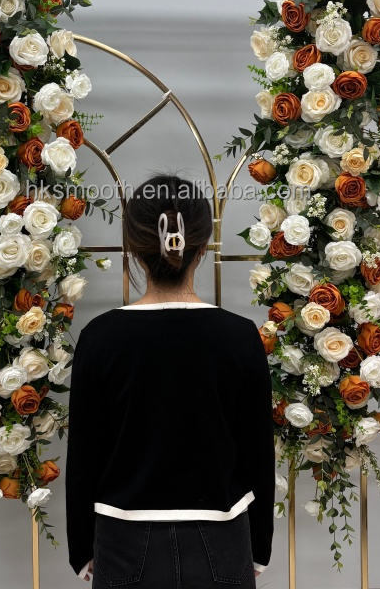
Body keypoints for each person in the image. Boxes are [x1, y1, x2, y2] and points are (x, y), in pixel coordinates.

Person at [65, 174, 275, 587]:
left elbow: (85, 455)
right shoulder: (239, 336)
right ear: (202, 246)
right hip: (223, 540)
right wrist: (259, 548)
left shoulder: (100, 337)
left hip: (122, 543)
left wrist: (82, 550)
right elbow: (258, 453)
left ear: (133, 248)